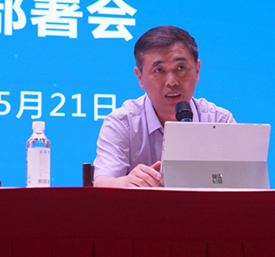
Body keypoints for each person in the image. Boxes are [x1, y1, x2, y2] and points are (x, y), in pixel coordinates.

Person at [93, 26, 235, 188]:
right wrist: (124, 182)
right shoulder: (123, 123)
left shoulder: (219, 121)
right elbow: (102, 182)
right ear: (140, 77)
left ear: (197, 71)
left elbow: (241, 181)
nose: (171, 82)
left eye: (181, 68)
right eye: (159, 70)